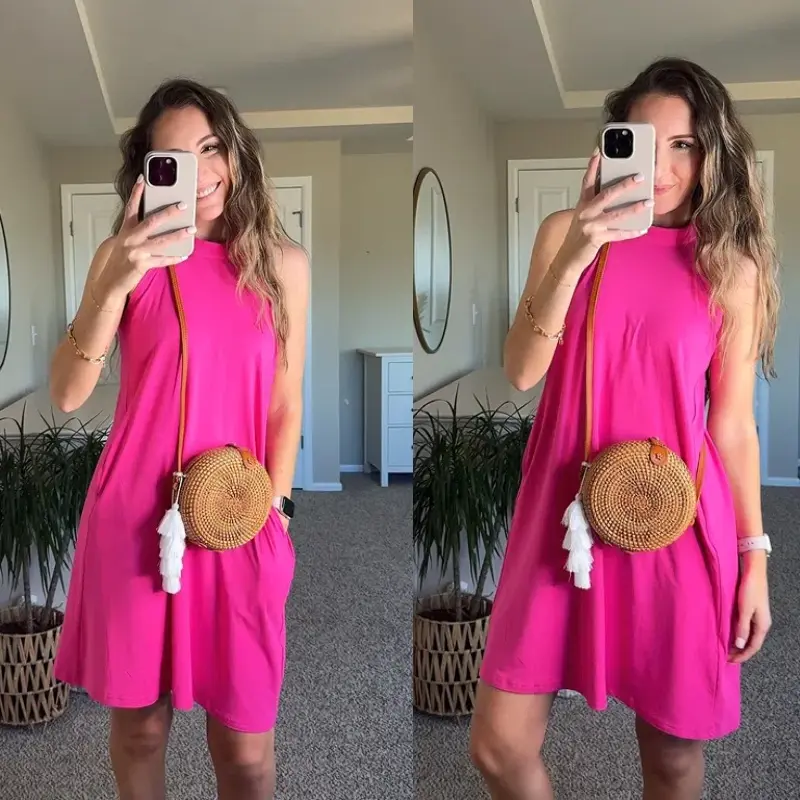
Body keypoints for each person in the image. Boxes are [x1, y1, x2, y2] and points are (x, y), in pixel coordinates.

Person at [469, 57, 779, 800]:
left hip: (676, 516)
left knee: (671, 758)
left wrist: (755, 557)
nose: (663, 166)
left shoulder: (731, 268)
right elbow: (520, 370)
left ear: (713, 154)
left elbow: (733, 426)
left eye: (684, 145)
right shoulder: (563, 234)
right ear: (613, 145)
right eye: (643, 141)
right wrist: (580, 248)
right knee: (498, 747)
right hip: (561, 513)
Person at [49, 78, 309, 800]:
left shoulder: (283, 267)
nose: (199, 174)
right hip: (134, 518)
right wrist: (117, 280)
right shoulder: (121, 258)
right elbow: (68, 392)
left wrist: (279, 512)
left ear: (236, 152)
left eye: (211, 148)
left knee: (246, 751)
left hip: (239, 518)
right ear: (147, 175)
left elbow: (285, 402)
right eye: (175, 160)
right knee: (141, 731)